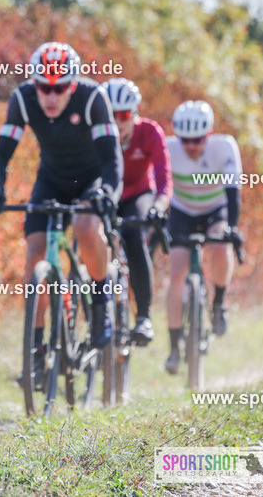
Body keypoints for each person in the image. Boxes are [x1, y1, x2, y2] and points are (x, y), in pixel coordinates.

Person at [0, 42, 123, 384]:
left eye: (59, 88)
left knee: (86, 226)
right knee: (34, 254)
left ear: (72, 85)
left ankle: (101, 298)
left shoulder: (92, 98)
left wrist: (107, 193)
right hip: (51, 180)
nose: (50, 96)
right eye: (43, 87)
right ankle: (35, 352)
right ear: (34, 83)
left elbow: (112, 159)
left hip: (91, 179)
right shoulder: (23, 99)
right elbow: (1, 154)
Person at [163, 100, 243, 374]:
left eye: (197, 140)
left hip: (214, 209)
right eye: (185, 140)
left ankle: (219, 302)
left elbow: (233, 192)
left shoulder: (225, 146)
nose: (191, 146)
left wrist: (232, 227)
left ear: (208, 134)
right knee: (177, 269)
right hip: (182, 210)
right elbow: (158, 186)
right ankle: (174, 347)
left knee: (221, 244)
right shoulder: (168, 148)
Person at [100, 78, 172, 346]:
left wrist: (158, 208)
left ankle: (143, 316)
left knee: (133, 237)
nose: (117, 122)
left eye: (123, 115)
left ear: (134, 114)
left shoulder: (150, 132)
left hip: (138, 195)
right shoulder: (95, 133)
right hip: (106, 194)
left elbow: (164, 180)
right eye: (110, 115)